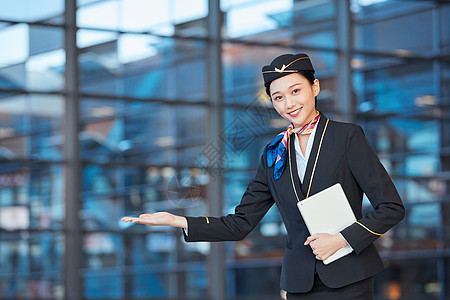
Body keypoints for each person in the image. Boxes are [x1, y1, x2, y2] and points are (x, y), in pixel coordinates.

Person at [122, 53, 406, 299]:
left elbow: (391, 208)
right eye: (278, 97)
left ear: (315, 87)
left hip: (349, 278)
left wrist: (341, 239)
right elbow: (240, 224)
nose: (288, 103)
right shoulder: (273, 153)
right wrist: (178, 221)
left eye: (296, 91)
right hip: (300, 284)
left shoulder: (346, 137)